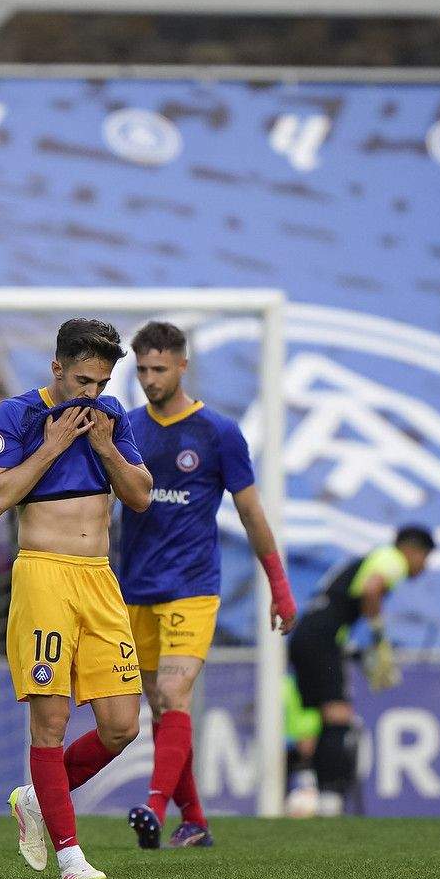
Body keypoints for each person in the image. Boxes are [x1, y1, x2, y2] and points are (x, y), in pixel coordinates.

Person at [0, 319, 153, 879]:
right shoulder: (18, 415)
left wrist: (103, 444)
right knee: (49, 721)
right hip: (44, 576)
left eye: (101, 383)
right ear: (56, 368)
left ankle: (36, 798)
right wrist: (52, 447)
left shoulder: (112, 420)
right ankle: (70, 856)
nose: (90, 394)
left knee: (122, 725)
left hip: (100, 579)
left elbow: (141, 496)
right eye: (82, 380)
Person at [115, 321, 296, 849]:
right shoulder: (126, 429)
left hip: (193, 587)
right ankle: (193, 820)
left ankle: (152, 806)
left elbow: (251, 514)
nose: (149, 380)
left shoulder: (218, 433)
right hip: (137, 589)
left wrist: (279, 587)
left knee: (174, 694)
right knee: (160, 707)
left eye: (159, 369)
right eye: (142, 370)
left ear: (182, 366)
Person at [286, 525, 436, 818]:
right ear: (412, 550)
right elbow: (371, 589)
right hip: (321, 640)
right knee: (338, 716)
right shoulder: (392, 559)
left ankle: (305, 790)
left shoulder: (366, 559)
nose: (424, 566)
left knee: (317, 722)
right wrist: (378, 632)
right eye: (425, 557)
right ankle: (329, 797)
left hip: (307, 635)